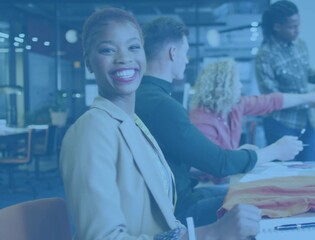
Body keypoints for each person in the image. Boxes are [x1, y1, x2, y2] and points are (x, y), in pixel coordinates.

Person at [60, 8, 261, 239]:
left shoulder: (133, 123)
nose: (124, 57)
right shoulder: (90, 131)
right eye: (107, 49)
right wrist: (210, 233)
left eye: (134, 47)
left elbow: (166, 215)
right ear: (88, 61)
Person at [136, 16, 303, 227]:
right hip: (178, 209)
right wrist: (275, 151)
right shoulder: (162, 105)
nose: (187, 60)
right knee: (269, 200)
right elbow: (219, 164)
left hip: (174, 200)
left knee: (255, 192)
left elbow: (173, 163)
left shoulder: (144, 97)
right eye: (185, 53)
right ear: (173, 52)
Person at [255, 0, 315, 161]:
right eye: (292, 27)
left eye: (298, 25)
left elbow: (308, 74)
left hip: (306, 123)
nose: (297, 31)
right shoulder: (264, 56)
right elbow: (272, 98)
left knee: (309, 173)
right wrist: (310, 100)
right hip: (281, 126)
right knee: (285, 176)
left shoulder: (300, 45)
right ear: (276, 26)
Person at [190, 59, 315, 150]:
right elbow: (217, 167)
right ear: (223, 87)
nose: (240, 86)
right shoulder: (201, 121)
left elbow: (271, 101)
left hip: (228, 179)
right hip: (209, 184)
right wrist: (269, 151)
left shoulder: (234, 106)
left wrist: (310, 97)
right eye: (236, 82)